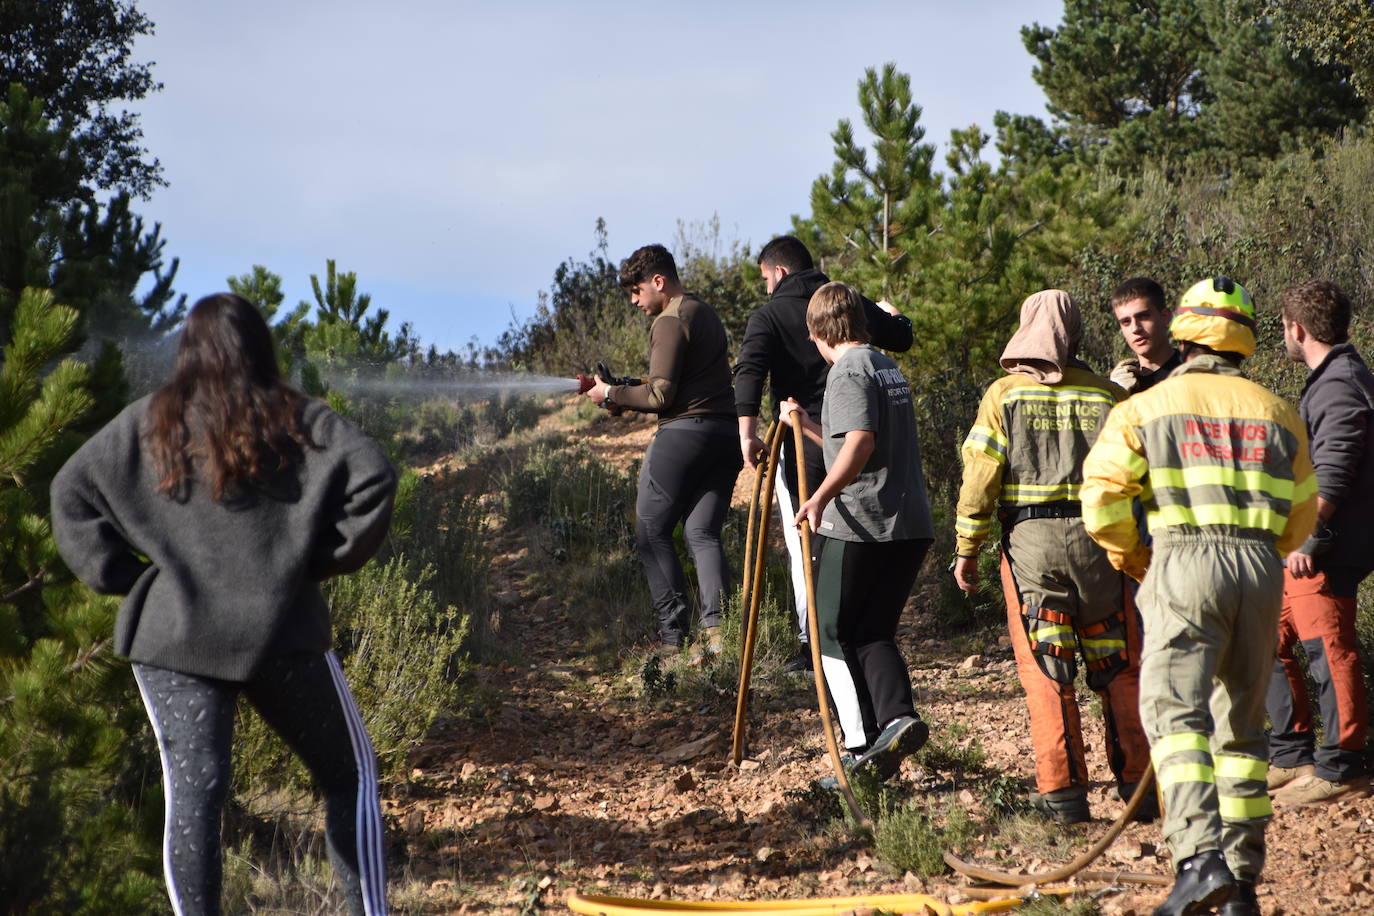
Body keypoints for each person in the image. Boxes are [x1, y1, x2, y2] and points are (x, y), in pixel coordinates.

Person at [50, 293, 397, 916]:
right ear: (260, 347)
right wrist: (314, 564)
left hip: (175, 636)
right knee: (352, 778)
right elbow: (375, 478)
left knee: (194, 797)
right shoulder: (299, 420)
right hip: (283, 635)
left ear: (186, 352)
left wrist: (128, 578)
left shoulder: (149, 421)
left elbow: (69, 492)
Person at [1082, 277, 1317, 916]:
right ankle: (1240, 883)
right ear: (1243, 337)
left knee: (1172, 713)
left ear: (1182, 331)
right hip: (1260, 571)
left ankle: (1196, 860)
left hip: (1183, 559)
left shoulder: (1146, 407)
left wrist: (1140, 561)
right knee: (1241, 730)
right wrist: (1262, 551)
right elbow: (1303, 513)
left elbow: (1101, 498)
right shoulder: (1278, 411)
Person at [952, 289, 1152, 825]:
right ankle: (1140, 788)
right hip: (1101, 549)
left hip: (1032, 551)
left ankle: (1064, 797)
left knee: (1048, 669)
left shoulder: (1004, 395)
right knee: (1118, 664)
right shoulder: (1108, 395)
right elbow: (1138, 477)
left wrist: (966, 549)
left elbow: (981, 477)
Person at [734, 235, 913, 675]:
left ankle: (812, 642)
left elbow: (750, 371)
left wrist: (747, 435)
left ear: (778, 272)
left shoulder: (769, 315)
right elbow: (901, 338)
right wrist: (894, 314)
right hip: (857, 431)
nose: (765, 287)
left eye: (764, 279)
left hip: (800, 438)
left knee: (804, 541)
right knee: (848, 535)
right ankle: (850, 632)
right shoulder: (845, 301)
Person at [779, 281, 934, 779]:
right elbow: (851, 440)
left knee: (827, 632)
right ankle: (897, 720)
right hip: (909, 524)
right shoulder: (886, 366)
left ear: (819, 331)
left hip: (862, 523)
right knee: (870, 632)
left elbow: (861, 444)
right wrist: (802, 423)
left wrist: (819, 497)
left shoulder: (846, 369)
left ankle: (860, 747)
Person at [583, 244, 741, 659]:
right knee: (701, 533)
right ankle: (719, 638)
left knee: (651, 534)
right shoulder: (703, 312)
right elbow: (681, 383)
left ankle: (672, 640)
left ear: (659, 281)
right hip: (725, 437)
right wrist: (621, 392)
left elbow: (659, 395)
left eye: (637, 291)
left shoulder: (670, 320)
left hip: (683, 437)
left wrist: (610, 392)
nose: (635, 301)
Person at [1265, 280, 1374, 805]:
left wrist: (1309, 536)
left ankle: (1341, 765)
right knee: (1273, 637)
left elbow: (1334, 469)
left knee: (1327, 648)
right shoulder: (1332, 378)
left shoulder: (1338, 384)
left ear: (1297, 328)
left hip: (1326, 548)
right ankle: (1292, 756)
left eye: (1285, 328)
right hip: (1308, 542)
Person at [1109, 276, 1182, 394]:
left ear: (1165, 317)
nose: (1135, 328)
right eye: (1126, 322)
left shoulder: (1192, 371)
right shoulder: (1123, 384)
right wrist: (1116, 396)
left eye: (1143, 317)